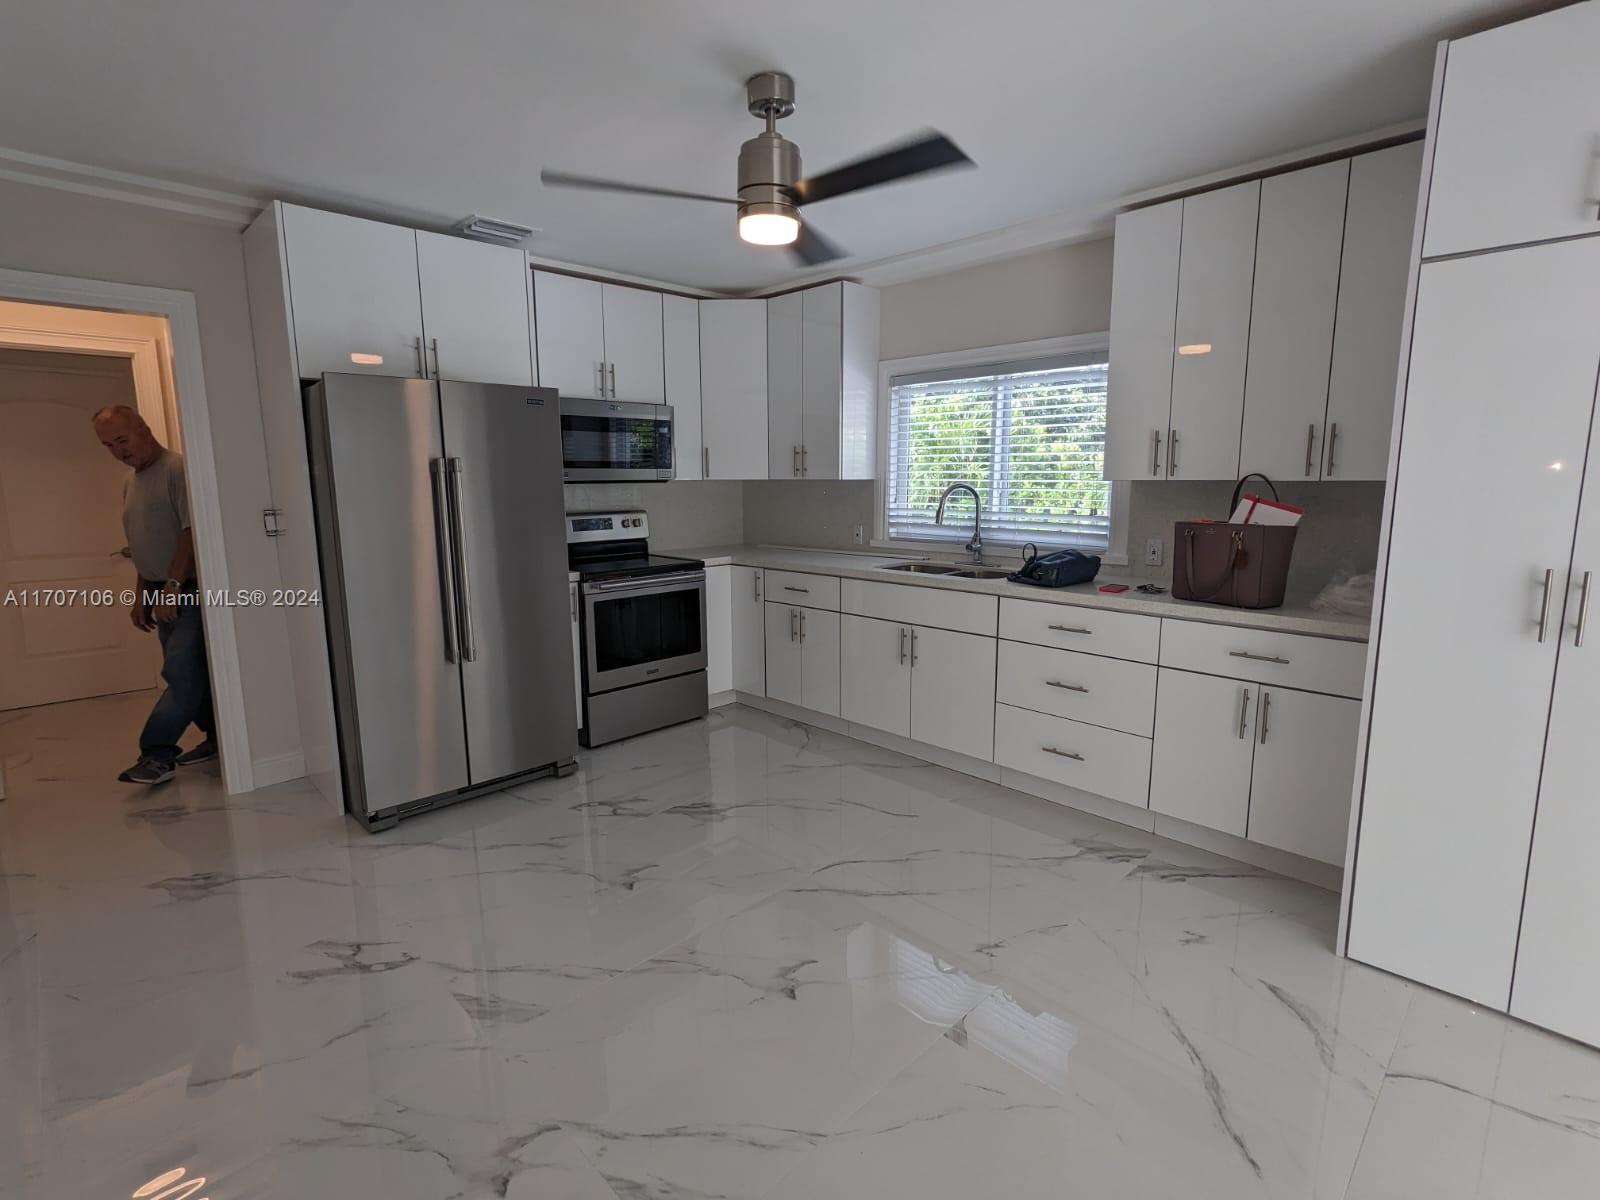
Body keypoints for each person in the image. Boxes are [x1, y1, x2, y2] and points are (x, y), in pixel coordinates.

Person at [91, 405, 215, 785]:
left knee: (179, 673)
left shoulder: (177, 470)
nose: (117, 451)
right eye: (108, 444)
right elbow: (141, 542)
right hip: (161, 589)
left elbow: (190, 533)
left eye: (122, 440)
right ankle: (219, 738)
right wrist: (142, 593)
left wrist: (174, 588)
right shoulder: (131, 481)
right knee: (190, 674)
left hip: (186, 591)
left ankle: (157, 755)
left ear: (143, 429)